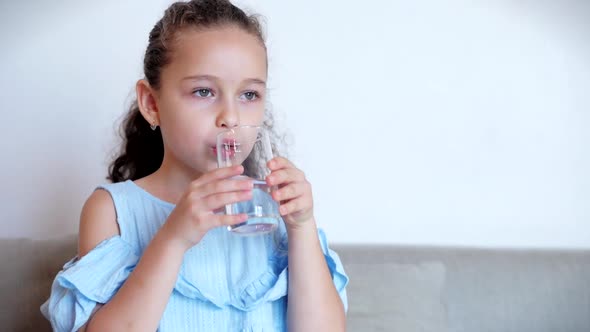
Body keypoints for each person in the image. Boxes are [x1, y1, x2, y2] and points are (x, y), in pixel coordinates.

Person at [40, 0, 348, 331]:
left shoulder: (274, 209)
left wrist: (302, 228)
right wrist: (173, 238)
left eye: (249, 95)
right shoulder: (112, 210)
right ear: (151, 103)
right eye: (203, 91)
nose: (230, 116)